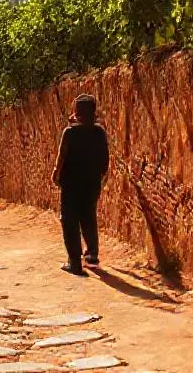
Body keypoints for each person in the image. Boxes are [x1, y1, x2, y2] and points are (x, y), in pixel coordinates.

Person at [50, 94, 109, 276]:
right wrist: (99, 177)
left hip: (71, 183)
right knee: (88, 217)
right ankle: (91, 256)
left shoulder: (70, 132)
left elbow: (62, 157)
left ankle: (74, 262)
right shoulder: (99, 132)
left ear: (77, 112)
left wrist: (55, 175)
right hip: (92, 182)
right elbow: (105, 160)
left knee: (69, 221)